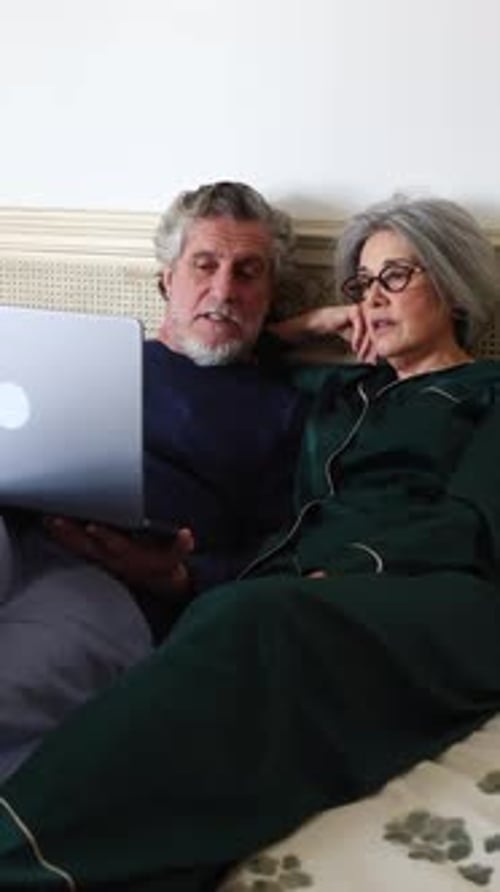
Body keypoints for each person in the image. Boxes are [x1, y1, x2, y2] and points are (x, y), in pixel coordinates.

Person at [2, 195, 500, 892]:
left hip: (426, 587)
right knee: (237, 614)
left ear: (451, 283)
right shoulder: (341, 393)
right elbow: (218, 345)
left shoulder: (487, 389)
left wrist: (348, 570)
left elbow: (475, 522)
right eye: (361, 283)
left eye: (396, 276)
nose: (372, 299)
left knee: (244, 615)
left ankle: (24, 857)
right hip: (295, 588)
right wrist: (312, 323)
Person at [0, 181, 306, 781]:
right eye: (205, 265)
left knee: (14, 685)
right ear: (167, 279)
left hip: (111, 583)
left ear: (270, 295)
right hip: (13, 523)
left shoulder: (283, 412)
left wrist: (178, 577)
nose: (224, 290)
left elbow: (277, 554)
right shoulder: (82, 357)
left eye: (248, 273)